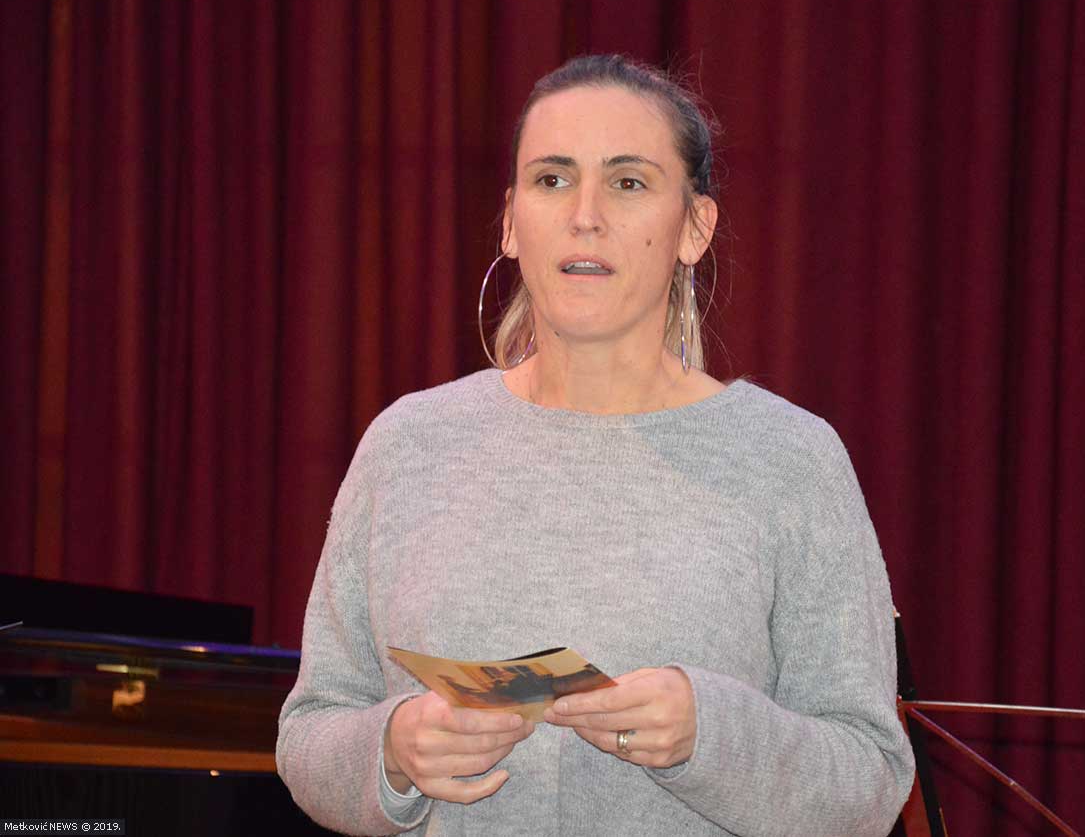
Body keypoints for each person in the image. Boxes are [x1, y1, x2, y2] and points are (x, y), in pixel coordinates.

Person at [277, 54, 914, 837]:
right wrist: (393, 749)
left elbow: (870, 780)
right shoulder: (408, 444)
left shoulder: (792, 460)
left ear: (694, 228)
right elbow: (311, 731)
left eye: (628, 182)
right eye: (552, 179)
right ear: (511, 222)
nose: (585, 215)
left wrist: (708, 733)